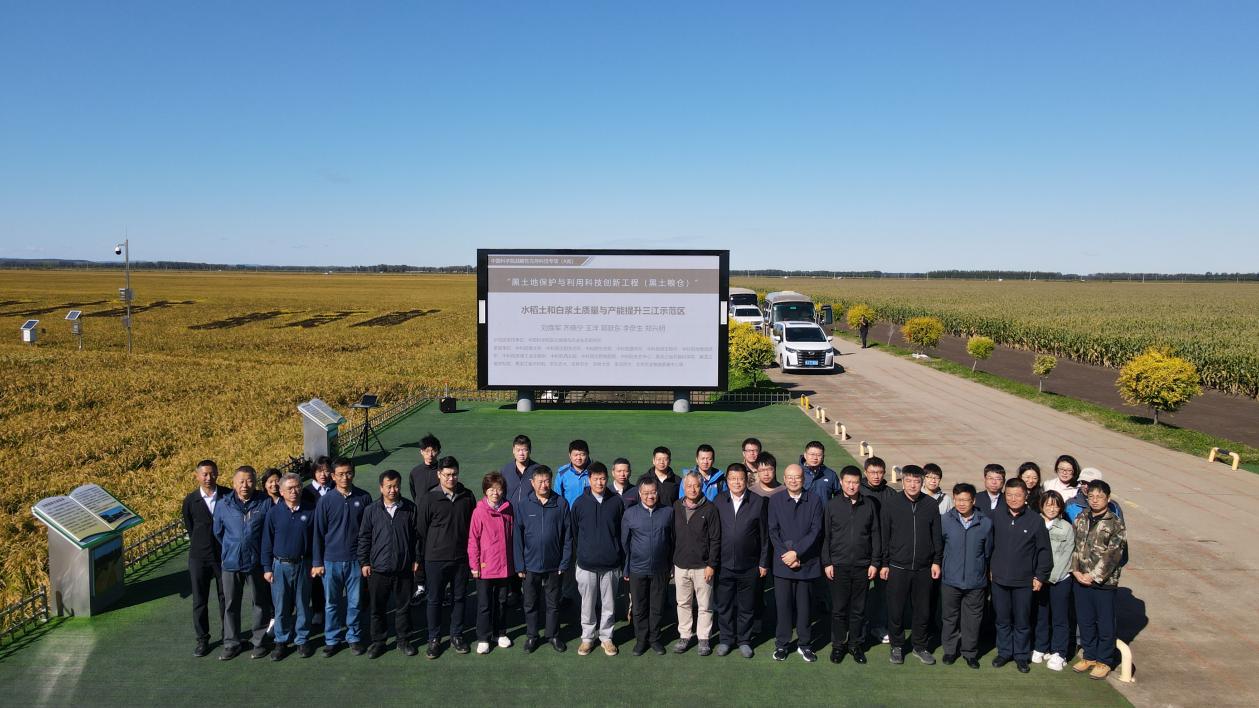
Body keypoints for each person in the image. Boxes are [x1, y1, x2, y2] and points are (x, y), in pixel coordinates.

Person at [880, 465, 943, 666]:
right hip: (897, 566)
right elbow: (884, 535)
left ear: (922, 482)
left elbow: (936, 536)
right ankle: (897, 646)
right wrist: (884, 563)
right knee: (896, 610)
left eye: (917, 481)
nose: (913, 485)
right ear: (902, 482)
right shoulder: (891, 503)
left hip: (924, 568)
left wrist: (936, 561)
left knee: (922, 611)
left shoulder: (930, 504)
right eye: (909, 481)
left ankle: (920, 646)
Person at [312, 457, 373, 657]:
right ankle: (332, 639)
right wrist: (317, 562)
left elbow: (369, 532)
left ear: (353, 473)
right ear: (333, 476)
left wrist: (366, 560)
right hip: (331, 561)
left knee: (355, 603)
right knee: (332, 604)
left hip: (356, 561)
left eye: (348, 473)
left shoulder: (364, 498)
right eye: (340, 474)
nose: (344, 477)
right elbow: (318, 533)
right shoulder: (325, 501)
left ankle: (354, 637)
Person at [989, 478, 1052, 673]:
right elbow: (988, 545)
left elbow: (1044, 551)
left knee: (1022, 621)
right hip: (999, 579)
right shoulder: (996, 516)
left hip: (1024, 581)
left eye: (1017, 495)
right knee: (1002, 619)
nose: (1013, 499)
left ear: (1025, 496)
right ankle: (1004, 652)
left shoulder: (1035, 520)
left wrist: (1040, 576)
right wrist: (989, 569)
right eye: (1009, 495)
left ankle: (1021, 656)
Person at [213, 465, 274, 660]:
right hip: (231, 562)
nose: (245, 485)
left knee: (260, 602)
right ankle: (232, 643)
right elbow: (218, 532)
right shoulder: (223, 504)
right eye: (241, 481)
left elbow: (269, 531)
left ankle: (259, 641)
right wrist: (232, 548)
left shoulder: (264, 502)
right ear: (234, 483)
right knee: (230, 603)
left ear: (255, 483)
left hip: (256, 562)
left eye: (249, 481)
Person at [822, 466, 881, 665]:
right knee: (839, 609)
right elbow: (826, 536)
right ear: (841, 482)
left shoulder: (869, 505)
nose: (851, 486)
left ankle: (856, 645)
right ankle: (838, 645)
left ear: (860, 483)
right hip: (838, 565)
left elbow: (875, 534)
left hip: (863, 566)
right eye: (848, 482)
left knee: (858, 609)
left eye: (855, 482)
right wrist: (827, 562)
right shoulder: (832, 505)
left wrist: (874, 562)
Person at [357, 470, 420, 659]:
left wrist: (416, 559)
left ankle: (404, 640)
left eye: (396, 486)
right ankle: (379, 642)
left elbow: (417, 537)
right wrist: (364, 562)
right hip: (378, 569)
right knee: (377, 609)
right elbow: (364, 538)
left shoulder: (410, 508)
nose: (393, 490)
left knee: (404, 607)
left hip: (403, 568)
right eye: (389, 486)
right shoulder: (371, 510)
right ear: (381, 488)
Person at [417, 456, 475, 659]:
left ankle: (456, 635)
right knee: (434, 599)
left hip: (460, 558)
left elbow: (472, 526)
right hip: (435, 559)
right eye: (447, 474)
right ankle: (434, 639)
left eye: (454, 474)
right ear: (439, 475)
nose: (451, 478)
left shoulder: (467, 496)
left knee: (459, 598)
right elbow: (422, 529)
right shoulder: (429, 498)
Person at [1071, 479, 1127, 680]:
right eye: (1091, 496)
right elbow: (1074, 546)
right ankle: (1090, 656)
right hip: (1080, 579)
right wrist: (1076, 571)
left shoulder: (1115, 523)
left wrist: (1093, 576)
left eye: (1099, 497)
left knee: (1105, 623)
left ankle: (1104, 660)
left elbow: (1113, 555)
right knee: (1085, 620)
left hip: (1104, 583)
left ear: (1108, 499)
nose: (1095, 500)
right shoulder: (1081, 517)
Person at [768, 464, 824, 662]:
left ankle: (805, 644)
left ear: (803, 479)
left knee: (805, 608)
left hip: (806, 563)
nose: (793, 480)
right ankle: (782, 645)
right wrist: (787, 555)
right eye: (789, 477)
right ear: (784, 478)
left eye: (797, 477)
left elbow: (816, 530)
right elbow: (773, 531)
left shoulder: (814, 500)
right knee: (783, 607)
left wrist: (797, 552)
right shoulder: (775, 500)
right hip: (783, 563)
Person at [514, 465, 572, 653]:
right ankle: (532, 636)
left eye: (547, 481)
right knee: (530, 603)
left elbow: (568, 536)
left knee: (553, 604)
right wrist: (520, 565)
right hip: (530, 566)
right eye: (540, 482)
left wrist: (564, 561)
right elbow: (517, 537)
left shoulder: (561, 503)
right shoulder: (524, 505)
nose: (544, 485)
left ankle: (552, 635)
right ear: (532, 483)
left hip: (554, 565)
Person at [713, 463, 769, 659]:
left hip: (749, 565)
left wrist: (763, 562)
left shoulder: (758, 502)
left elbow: (765, 536)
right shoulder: (719, 500)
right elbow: (713, 534)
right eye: (732, 479)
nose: (736, 482)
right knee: (724, 605)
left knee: (746, 606)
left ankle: (744, 640)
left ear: (747, 480)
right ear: (727, 481)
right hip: (723, 564)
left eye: (740, 479)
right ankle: (726, 639)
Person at [570, 462, 624, 657]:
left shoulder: (616, 502)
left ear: (607, 479)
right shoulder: (579, 503)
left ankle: (606, 638)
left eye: (602, 479)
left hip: (610, 564)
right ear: (589, 479)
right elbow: (575, 533)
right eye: (596, 479)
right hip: (586, 564)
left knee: (609, 604)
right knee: (588, 604)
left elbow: (620, 531)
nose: (600, 483)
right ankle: (587, 638)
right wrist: (585, 552)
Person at [261, 472, 316, 660]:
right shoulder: (274, 513)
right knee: (281, 606)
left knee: (303, 604)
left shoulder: (311, 510)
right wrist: (267, 568)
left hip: (303, 564)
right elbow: (266, 542)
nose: (294, 491)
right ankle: (281, 641)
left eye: (297, 487)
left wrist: (315, 563)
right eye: (289, 488)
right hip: (279, 565)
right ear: (282, 491)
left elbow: (316, 540)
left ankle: (302, 639)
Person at [939, 483, 993, 669]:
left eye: (966, 500)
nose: (961, 503)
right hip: (950, 579)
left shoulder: (985, 523)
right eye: (958, 500)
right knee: (950, 617)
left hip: (975, 581)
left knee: (972, 619)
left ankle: (970, 653)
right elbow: (940, 547)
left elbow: (987, 551)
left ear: (973, 501)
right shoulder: (945, 520)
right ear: (954, 499)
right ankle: (950, 650)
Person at [182, 459, 230, 658]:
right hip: (199, 556)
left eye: (211, 473)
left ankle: (228, 635)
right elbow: (190, 526)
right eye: (204, 474)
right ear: (197, 476)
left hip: (223, 555)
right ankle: (202, 639)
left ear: (217, 473)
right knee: (199, 600)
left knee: (226, 597)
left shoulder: (227, 495)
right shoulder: (191, 500)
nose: (208, 478)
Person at [622, 476, 674, 656]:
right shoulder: (630, 514)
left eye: (653, 492)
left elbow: (672, 541)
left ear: (658, 493)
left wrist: (670, 566)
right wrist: (627, 567)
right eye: (646, 493)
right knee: (638, 608)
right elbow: (625, 544)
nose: (650, 496)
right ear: (639, 493)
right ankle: (641, 640)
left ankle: (655, 639)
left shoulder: (668, 512)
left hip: (660, 569)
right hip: (637, 569)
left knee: (657, 607)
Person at [672, 471, 721, 655]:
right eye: (689, 485)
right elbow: (672, 536)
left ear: (702, 487)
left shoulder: (710, 508)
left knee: (705, 605)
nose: (692, 489)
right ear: (684, 487)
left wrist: (711, 565)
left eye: (696, 485)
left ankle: (703, 638)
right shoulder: (676, 506)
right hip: (681, 565)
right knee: (683, 603)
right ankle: (685, 635)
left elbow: (715, 539)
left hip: (703, 567)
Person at [468, 472, 515, 654]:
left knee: (501, 602)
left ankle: (499, 633)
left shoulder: (508, 508)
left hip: (504, 566)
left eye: (498, 489)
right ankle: (483, 637)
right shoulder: (479, 511)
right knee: (484, 604)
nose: (495, 493)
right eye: (491, 489)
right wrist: (474, 565)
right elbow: (473, 540)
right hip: (485, 567)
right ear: (485, 491)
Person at [1032, 490, 1075, 672]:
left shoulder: (1066, 528)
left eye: (1056, 505)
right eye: (1048, 504)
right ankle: (1041, 646)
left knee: (1059, 617)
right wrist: (1037, 577)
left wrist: (1049, 578)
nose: (1052, 508)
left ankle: (1059, 651)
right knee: (1041, 616)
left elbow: (1066, 556)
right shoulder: (1034, 523)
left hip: (1059, 579)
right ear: (1041, 505)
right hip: (1038, 579)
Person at [860, 456, 896, 644]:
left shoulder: (891, 494)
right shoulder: (858, 491)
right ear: (865, 472)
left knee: (884, 594)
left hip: (884, 553)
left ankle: (879, 625)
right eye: (872, 472)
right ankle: (859, 627)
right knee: (860, 593)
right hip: (862, 552)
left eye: (880, 472)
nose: (876, 476)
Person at [300, 456, 335, 625]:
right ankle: (318, 610)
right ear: (313, 472)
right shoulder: (305, 492)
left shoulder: (336, 489)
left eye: (327, 471)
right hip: (312, 542)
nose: (323, 474)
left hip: (333, 541)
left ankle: (333, 612)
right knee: (315, 579)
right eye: (319, 471)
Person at [500, 434, 542, 505]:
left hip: (530, 510)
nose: (521, 453)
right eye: (518, 450)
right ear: (513, 451)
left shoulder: (538, 470)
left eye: (524, 450)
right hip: (510, 511)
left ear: (530, 450)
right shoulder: (505, 470)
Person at [555, 439, 592, 507]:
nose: (579, 458)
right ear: (570, 455)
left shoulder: (594, 471)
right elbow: (557, 497)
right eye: (575, 455)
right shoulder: (562, 473)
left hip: (590, 512)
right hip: (569, 512)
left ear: (587, 454)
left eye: (582, 454)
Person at [409, 433, 443, 501]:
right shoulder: (415, 472)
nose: (430, 454)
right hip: (421, 507)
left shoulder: (443, 471)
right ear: (421, 452)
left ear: (439, 452)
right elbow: (414, 494)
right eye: (427, 451)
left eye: (433, 450)